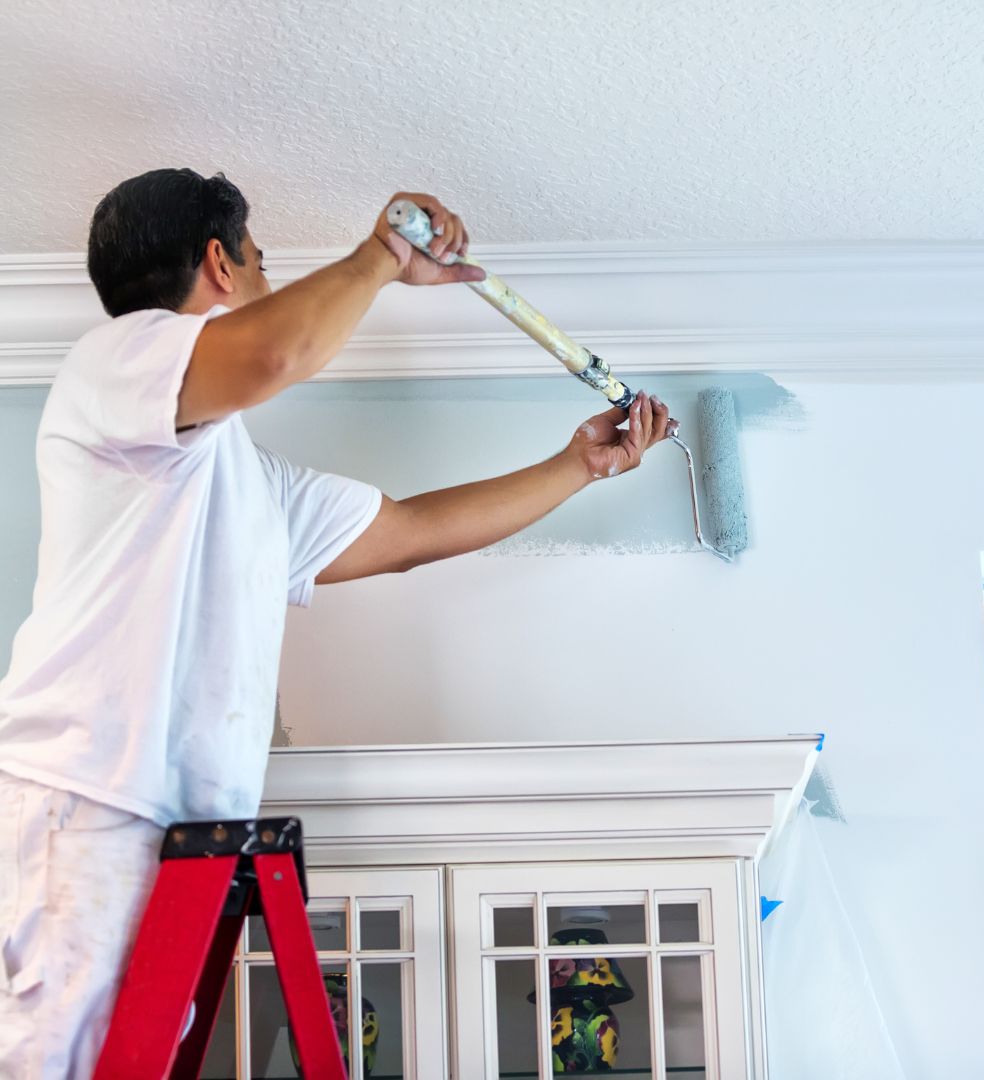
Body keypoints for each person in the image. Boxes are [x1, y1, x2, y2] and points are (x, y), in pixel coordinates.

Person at [0, 168, 672, 1077]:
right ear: (220, 264)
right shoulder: (116, 361)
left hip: (182, 844)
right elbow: (275, 354)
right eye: (262, 261)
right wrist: (382, 256)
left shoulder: (244, 485)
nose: (269, 282)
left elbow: (408, 534)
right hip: (85, 802)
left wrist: (577, 466)